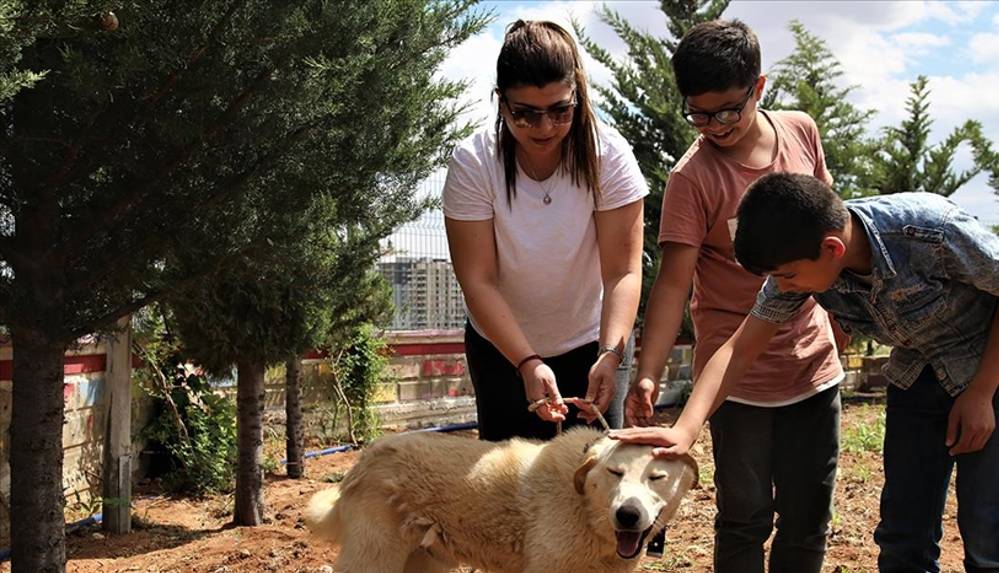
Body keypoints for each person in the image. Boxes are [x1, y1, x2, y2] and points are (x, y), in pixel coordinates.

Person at [615, 171, 999, 572]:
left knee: (988, 529)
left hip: (989, 367)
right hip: (915, 373)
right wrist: (684, 429)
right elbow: (740, 349)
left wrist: (982, 392)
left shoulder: (931, 232)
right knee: (903, 535)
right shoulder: (801, 263)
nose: (782, 286)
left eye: (786, 275)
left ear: (832, 248)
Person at [622, 20, 845, 573]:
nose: (714, 126)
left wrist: (841, 321)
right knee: (745, 515)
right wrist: (649, 370)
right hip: (734, 376)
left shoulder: (800, 131)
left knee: (808, 515)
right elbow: (674, 281)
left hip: (813, 366)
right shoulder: (692, 178)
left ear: (759, 87)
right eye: (698, 113)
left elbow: (830, 228)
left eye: (728, 110)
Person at [442, 20, 648, 442]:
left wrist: (610, 354)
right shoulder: (474, 163)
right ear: (501, 104)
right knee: (508, 486)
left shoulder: (609, 155)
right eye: (524, 114)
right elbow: (478, 280)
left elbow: (622, 273)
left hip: (596, 343)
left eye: (560, 110)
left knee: (596, 479)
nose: (544, 128)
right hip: (502, 349)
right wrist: (527, 362)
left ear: (577, 95)